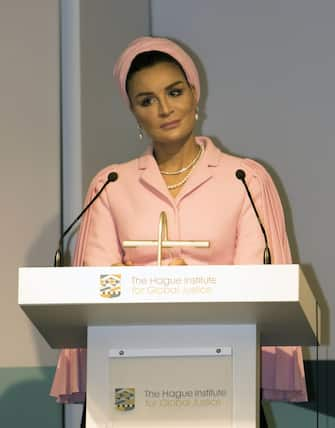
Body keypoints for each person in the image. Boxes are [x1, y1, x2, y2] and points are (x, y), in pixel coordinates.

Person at [50, 36, 307, 413]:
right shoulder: (111, 184)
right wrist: (120, 283)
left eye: (174, 92)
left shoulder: (244, 178)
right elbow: (93, 288)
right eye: (146, 100)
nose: (165, 109)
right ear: (134, 112)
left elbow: (260, 287)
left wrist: (186, 283)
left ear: (194, 95)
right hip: (126, 378)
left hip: (222, 372)